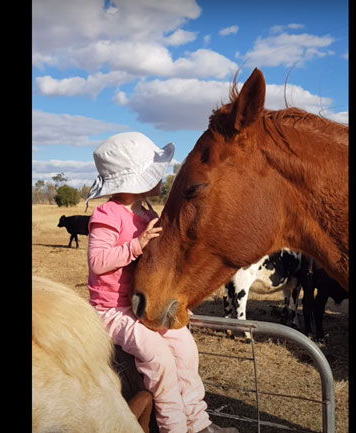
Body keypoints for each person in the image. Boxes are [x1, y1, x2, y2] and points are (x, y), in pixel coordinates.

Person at [85, 132, 239, 433]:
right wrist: (135, 245)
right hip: (112, 309)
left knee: (185, 349)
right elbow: (97, 262)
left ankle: (199, 423)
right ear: (134, 180)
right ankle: (174, 427)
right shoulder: (107, 214)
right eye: (154, 171)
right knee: (159, 360)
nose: (165, 176)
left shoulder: (146, 212)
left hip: (143, 303)